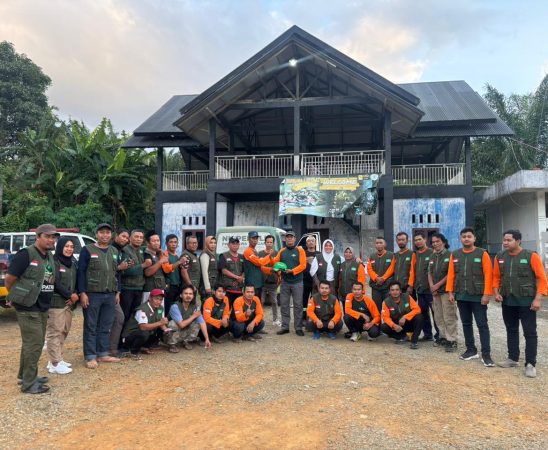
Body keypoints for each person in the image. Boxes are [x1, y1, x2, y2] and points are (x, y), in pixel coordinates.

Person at [6, 223, 57, 394]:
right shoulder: (26, 254)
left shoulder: (48, 255)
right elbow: (10, 278)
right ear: (38, 236)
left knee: (33, 343)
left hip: (42, 306)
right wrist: (15, 296)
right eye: (47, 236)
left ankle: (25, 376)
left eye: (53, 237)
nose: (51, 240)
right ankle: (29, 384)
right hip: (28, 306)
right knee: (34, 345)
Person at [493, 229, 548, 378]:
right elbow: (496, 276)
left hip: (526, 301)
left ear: (518, 241)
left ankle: (530, 364)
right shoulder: (500, 256)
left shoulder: (531, 256)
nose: (505, 243)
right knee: (511, 329)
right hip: (508, 301)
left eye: (509, 240)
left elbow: (542, 278)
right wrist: (496, 293)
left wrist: (538, 299)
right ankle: (512, 358)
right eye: (504, 240)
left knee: (529, 332)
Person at [446, 227, 494, 367]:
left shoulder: (482, 253)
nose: (466, 239)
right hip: (462, 295)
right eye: (463, 236)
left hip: (478, 297)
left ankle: (486, 354)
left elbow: (488, 275)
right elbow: (451, 274)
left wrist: (487, 294)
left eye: (469, 236)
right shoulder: (455, 254)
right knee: (466, 324)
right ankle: (471, 350)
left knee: (482, 325)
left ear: (474, 238)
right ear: (460, 239)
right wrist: (450, 292)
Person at [77, 223, 121, 369]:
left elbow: (117, 273)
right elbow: (81, 272)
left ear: (111, 235)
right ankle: (90, 356)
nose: (105, 235)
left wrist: (118, 291)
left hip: (110, 294)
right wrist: (82, 292)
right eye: (102, 232)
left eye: (107, 232)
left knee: (106, 325)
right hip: (92, 294)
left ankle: (103, 353)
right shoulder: (87, 250)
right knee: (91, 326)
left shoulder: (114, 250)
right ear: (96, 234)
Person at [46, 236, 78, 375]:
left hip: (69, 303)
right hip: (56, 303)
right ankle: (55, 363)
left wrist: (75, 295)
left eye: (72, 247)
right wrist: (69, 295)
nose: (69, 249)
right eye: (66, 246)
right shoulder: (53, 261)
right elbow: (53, 281)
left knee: (64, 331)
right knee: (55, 332)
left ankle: (56, 358)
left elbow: (77, 280)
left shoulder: (73, 262)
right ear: (60, 247)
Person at [270, 231, 307, 336]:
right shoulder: (282, 251)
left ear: (295, 239)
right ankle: (285, 327)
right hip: (285, 282)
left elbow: (303, 265)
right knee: (284, 305)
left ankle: (298, 328)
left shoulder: (300, 250)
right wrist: (270, 257)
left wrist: (292, 271)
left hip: (297, 282)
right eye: (287, 237)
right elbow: (275, 263)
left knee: (298, 305)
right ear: (285, 239)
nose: (289, 239)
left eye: (291, 237)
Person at [428, 233, 458, 352]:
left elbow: (450, 274)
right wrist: (432, 286)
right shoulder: (432, 256)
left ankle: (452, 340)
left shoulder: (450, 255)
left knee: (449, 316)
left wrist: (437, 285)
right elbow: (429, 272)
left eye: (438, 241)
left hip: (446, 291)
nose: (435, 244)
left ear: (444, 242)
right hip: (435, 292)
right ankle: (443, 337)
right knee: (438, 316)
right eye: (433, 242)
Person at [121, 288, 171, 359]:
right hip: (129, 336)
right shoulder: (142, 309)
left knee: (161, 330)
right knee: (144, 333)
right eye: (156, 299)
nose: (158, 301)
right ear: (150, 298)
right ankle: (133, 352)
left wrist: (166, 330)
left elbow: (161, 322)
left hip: (143, 332)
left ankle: (144, 347)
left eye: (160, 299)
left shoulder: (160, 308)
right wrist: (160, 323)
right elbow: (143, 327)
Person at [408, 233, 438, 342]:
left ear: (425, 239)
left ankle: (439, 335)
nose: (417, 242)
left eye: (419, 239)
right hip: (420, 289)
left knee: (435, 313)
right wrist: (411, 285)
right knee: (423, 313)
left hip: (430, 290)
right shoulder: (415, 254)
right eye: (416, 240)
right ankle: (428, 334)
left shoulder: (432, 252)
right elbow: (412, 270)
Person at [119, 229, 151, 327]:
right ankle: (122, 336)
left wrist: (161, 251)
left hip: (139, 288)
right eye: (136, 237)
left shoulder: (142, 250)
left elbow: (154, 248)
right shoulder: (125, 250)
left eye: (141, 237)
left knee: (135, 316)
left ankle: (130, 335)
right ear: (130, 238)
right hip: (127, 288)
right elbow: (126, 271)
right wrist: (143, 265)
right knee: (125, 315)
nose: (138, 239)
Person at [164, 285, 211, 352]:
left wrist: (207, 339)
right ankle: (172, 344)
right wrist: (194, 316)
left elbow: (202, 323)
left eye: (190, 294)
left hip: (182, 331)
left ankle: (186, 341)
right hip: (169, 334)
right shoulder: (175, 306)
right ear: (181, 295)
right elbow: (181, 325)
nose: (188, 296)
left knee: (197, 323)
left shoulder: (195, 306)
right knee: (173, 323)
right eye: (185, 293)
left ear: (193, 296)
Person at [380, 281, 423, 349]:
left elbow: (417, 309)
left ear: (400, 291)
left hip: (408, 323)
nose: (395, 292)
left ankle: (414, 341)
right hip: (397, 326)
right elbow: (385, 317)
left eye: (397, 290)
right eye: (392, 290)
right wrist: (394, 325)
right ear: (389, 292)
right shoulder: (386, 302)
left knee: (419, 317)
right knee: (383, 327)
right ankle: (402, 337)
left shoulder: (407, 297)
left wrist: (405, 317)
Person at [109, 229, 130, 356]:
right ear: (116, 236)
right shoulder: (110, 249)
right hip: (104, 290)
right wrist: (119, 267)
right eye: (123, 236)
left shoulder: (121, 251)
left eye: (127, 238)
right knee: (108, 320)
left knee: (119, 318)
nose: (125, 239)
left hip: (115, 291)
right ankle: (103, 349)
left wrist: (118, 291)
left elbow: (119, 275)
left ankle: (113, 348)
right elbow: (107, 270)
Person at [367, 237, 395, 313]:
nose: (379, 244)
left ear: (385, 244)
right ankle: (378, 320)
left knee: (389, 307)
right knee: (376, 308)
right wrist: (376, 278)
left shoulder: (391, 255)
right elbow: (369, 269)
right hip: (375, 287)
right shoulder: (372, 256)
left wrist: (383, 278)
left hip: (387, 286)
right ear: (375, 245)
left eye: (381, 243)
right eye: (377, 243)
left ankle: (388, 320)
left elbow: (392, 268)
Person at [161, 234, 187, 318]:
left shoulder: (177, 255)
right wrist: (179, 262)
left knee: (175, 308)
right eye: (171, 242)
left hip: (178, 285)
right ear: (166, 243)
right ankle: (163, 325)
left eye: (175, 242)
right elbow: (166, 269)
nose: (173, 244)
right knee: (167, 309)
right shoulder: (164, 255)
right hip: (169, 286)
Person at [242, 231, 272, 299]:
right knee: (251, 303)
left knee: (257, 302)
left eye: (256, 238)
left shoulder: (254, 250)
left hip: (258, 283)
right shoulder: (248, 251)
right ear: (248, 239)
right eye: (253, 238)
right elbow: (259, 262)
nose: (255, 240)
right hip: (251, 284)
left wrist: (271, 270)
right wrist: (269, 256)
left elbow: (259, 266)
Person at [259, 235, 280, 326]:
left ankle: (275, 320)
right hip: (262, 282)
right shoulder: (260, 253)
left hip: (273, 283)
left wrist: (279, 280)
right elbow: (260, 266)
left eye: (271, 242)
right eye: (267, 242)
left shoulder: (277, 253)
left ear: (273, 243)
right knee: (261, 301)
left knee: (274, 302)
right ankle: (259, 319)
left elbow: (278, 267)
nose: (269, 244)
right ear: (265, 243)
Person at [218, 237, 245, 307]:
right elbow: (224, 270)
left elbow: (244, 270)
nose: (235, 245)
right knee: (226, 309)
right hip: (227, 289)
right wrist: (237, 277)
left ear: (239, 245)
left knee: (237, 309)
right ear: (228, 245)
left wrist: (241, 278)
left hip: (239, 289)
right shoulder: (223, 256)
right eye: (233, 243)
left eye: (237, 244)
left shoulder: (242, 257)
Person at [142, 231, 168, 304]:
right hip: (150, 290)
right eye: (153, 241)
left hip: (160, 288)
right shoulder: (146, 254)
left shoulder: (158, 253)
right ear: (147, 243)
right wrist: (160, 261)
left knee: (159, 310)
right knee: (148, 310)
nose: (157, 243)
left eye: (158, 240)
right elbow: (147, 273)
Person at [302, 235, 319, 321]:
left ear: (315, 243)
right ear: (306, 244)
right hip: (304, 281)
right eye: (309, 241)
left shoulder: (319, 254)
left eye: (312, 241)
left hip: (315, 282)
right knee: (304, 300)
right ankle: (304, 317)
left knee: (315, 300)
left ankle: (314, 317)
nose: (311, 242)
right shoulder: (302, 253)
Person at [199, 236, 218, 300]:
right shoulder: (205, 254)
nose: (213, 245)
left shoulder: (212, 254)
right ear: (207, 243)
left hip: (212, 284)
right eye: (211, 243)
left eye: (214, 243)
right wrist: (207, 287)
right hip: (206, 287)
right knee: (206, 303)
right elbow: (204, 272)